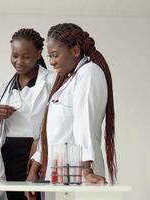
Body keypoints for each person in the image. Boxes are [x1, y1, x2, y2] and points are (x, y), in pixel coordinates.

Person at [27, 23, 117, 199]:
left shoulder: (89, 73)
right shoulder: (68, 79)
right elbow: (51, 131)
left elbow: (85, 123)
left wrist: (88, 170)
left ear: (75, 51)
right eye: (49, 56)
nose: (51, 62)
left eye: (55, 55)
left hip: (80, 175)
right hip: (59, 173)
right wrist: (34, 170)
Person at [0, 28, 55, 200]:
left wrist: (36, 160)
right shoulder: (6, 85)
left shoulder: (51, 81)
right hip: (8, 152)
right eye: (15, 55)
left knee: (32, 196)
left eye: (26, 57)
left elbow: (53, 124)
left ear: (38, 53)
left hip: (34, 151)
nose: (19, 62)